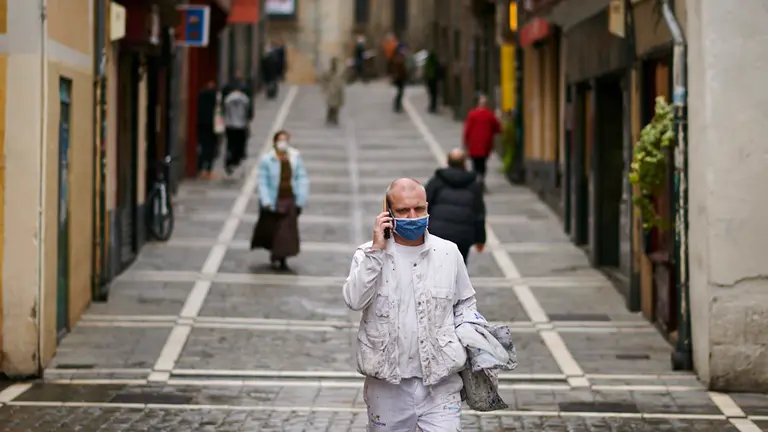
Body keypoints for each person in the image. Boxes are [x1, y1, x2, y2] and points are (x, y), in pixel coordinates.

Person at [342, 177, 482, 431]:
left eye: (419, 209)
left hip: (441, 383)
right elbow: (354, 300)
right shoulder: (367, 255)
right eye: (403, 210)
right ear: (387, 212)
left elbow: (465, 302)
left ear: (428, 208)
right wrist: (376, 250)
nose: (412, 215)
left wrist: (469, 337)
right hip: (387, 386)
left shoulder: (448, 253)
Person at [251, 131, 309, 271]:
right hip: (273, 200)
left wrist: (301, 198)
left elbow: (301, 178)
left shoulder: (294, 157)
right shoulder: (267, 160)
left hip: (289, 198)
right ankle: (275, 253)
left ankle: (282, 257)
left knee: (286, 231)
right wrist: (266, 201)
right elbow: (262, 181)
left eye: (285, 140)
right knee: (273, 229)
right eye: (280, 140)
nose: (283, 143)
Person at [425, 148, 486, 263]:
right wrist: (480, 240)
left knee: (438, 266)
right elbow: (479, 214)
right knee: (459, 266)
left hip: (438, 233)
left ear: (448, 162)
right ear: (464, 163)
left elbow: (424, 206)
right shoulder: (473, 185)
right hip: (463, 236)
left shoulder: (437, 182)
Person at [463, 94, 501, 191]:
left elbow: (467, 130)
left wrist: (465, 143)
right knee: (483, 163)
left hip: (474, 144)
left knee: (475, 164)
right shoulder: (489, 115)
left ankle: (477, 181)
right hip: (485, 144)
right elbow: (497, 128)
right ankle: (481, 180)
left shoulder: (472, 114)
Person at [223, 86, 252, 176]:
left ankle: (230, 159)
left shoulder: (227, 99)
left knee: (230, 142)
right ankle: (237, 159)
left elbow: (224, 111)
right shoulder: (245, 99)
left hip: (230, 125)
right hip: (241, 125)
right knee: (240, 143)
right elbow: (249, 112)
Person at [196, 80, 220, 179]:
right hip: (212, 125)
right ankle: (208, 170)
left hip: (202, 124)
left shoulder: (201, 95)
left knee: (203, 147)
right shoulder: (215, 96)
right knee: (210, 149)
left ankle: (201, 169)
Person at [320, 57, 346, 125]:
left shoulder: (339, 73)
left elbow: (343, 79)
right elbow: (323, 79)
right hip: (332, 90)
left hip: (337, 91)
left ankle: (334, 119)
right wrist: (325, 87)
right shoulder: (329, 73)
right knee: (331, 106)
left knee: (336, 106)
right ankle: (330, 119)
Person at [390, 46, 408, 113]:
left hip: (400, 78)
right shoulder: (399, 60)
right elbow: (400, 70)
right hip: (399, 78)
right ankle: (397, 105)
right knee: (400, 92)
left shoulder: (398, 59)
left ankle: (398, 105)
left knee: (400, 92)